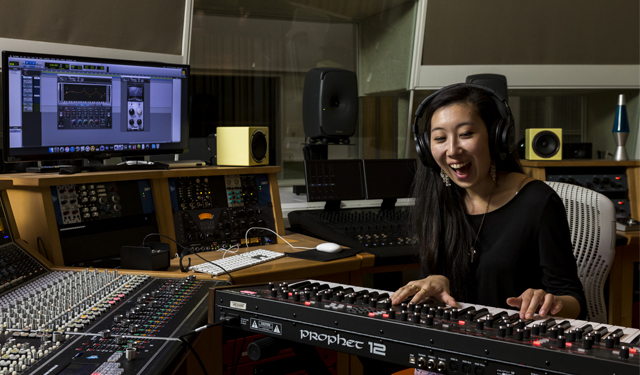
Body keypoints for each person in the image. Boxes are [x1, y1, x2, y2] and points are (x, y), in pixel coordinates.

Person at [359, 84, 587, 374]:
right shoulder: (438, 199)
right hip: (453, 351)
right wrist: (436, 281)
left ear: (496, 137)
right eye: (439, 138)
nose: (453, 150)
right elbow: (437, 293)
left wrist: (550, 302)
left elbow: (575, 301)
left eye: (466, 134)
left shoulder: (538, 202)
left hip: (516, 354)